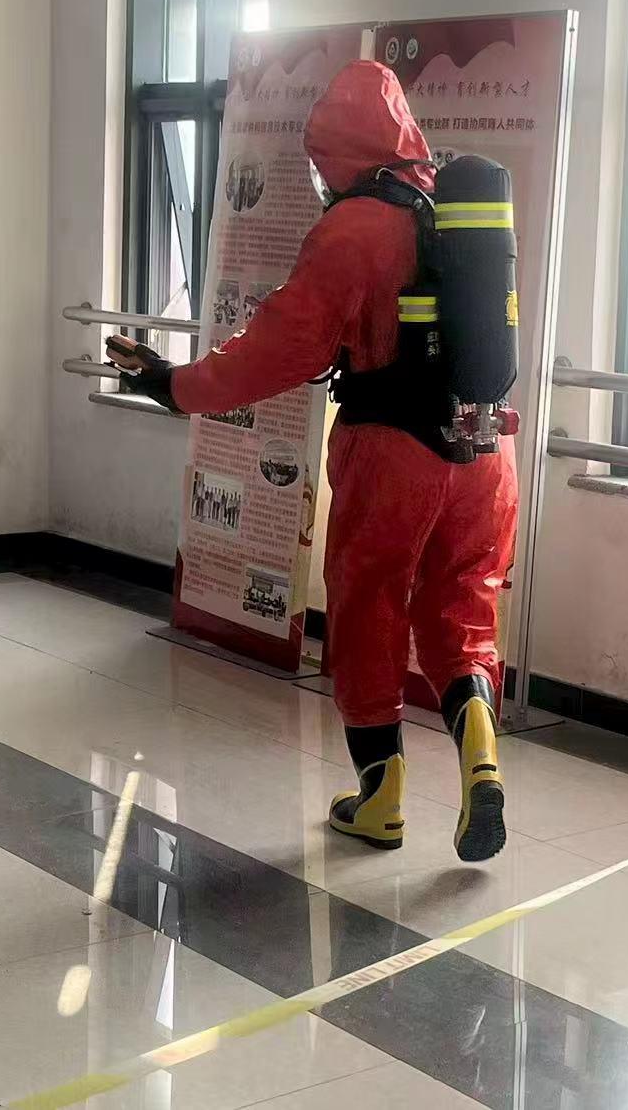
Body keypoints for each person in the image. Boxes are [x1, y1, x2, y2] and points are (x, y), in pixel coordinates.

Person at [106, 61, 516, 863]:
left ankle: (381, 799)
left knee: (369, 610)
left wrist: (174, 386)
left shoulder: (355, 228)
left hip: (393, 453)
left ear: (335, 151)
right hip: (484, 449)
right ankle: (481, 759)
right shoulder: (452, 206)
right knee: (461, 611)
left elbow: (279, 349)